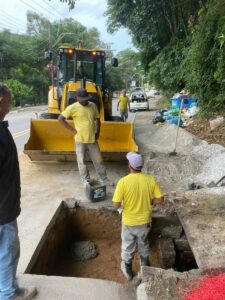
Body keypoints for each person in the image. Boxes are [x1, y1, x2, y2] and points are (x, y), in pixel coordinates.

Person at [0, 83, 37, 300]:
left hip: (5, 205)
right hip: (3, 209)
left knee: (7, 251)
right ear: (1, 101)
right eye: (10, 99)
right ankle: (8, 294)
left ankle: (8, 287)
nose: (11, 103)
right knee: (8, 252)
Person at [112, 152, 164, 281]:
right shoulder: (150, 179)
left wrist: (123, 204)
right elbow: (160, 199)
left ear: (130, 165)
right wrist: (150, 201)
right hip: (145, 221)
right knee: (143, 242)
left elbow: (116, 204)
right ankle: (144, 266)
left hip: (129, 222)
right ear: (141, 166)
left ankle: (128, 269)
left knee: (128, 245)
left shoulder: (123, 182)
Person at [58, 87, 113, 186]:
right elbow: (60, 119)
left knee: (98, 160)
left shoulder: (93, 106)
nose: (85, 101)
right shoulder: (72, 107)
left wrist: (97, 133)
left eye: (86, 98)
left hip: (92, 139)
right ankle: (86, 180)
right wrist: (73, 131)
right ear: (77, 98)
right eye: (82, 99)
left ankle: (104, 178)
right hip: (80, 140)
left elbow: (97, 120)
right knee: (81, 162)